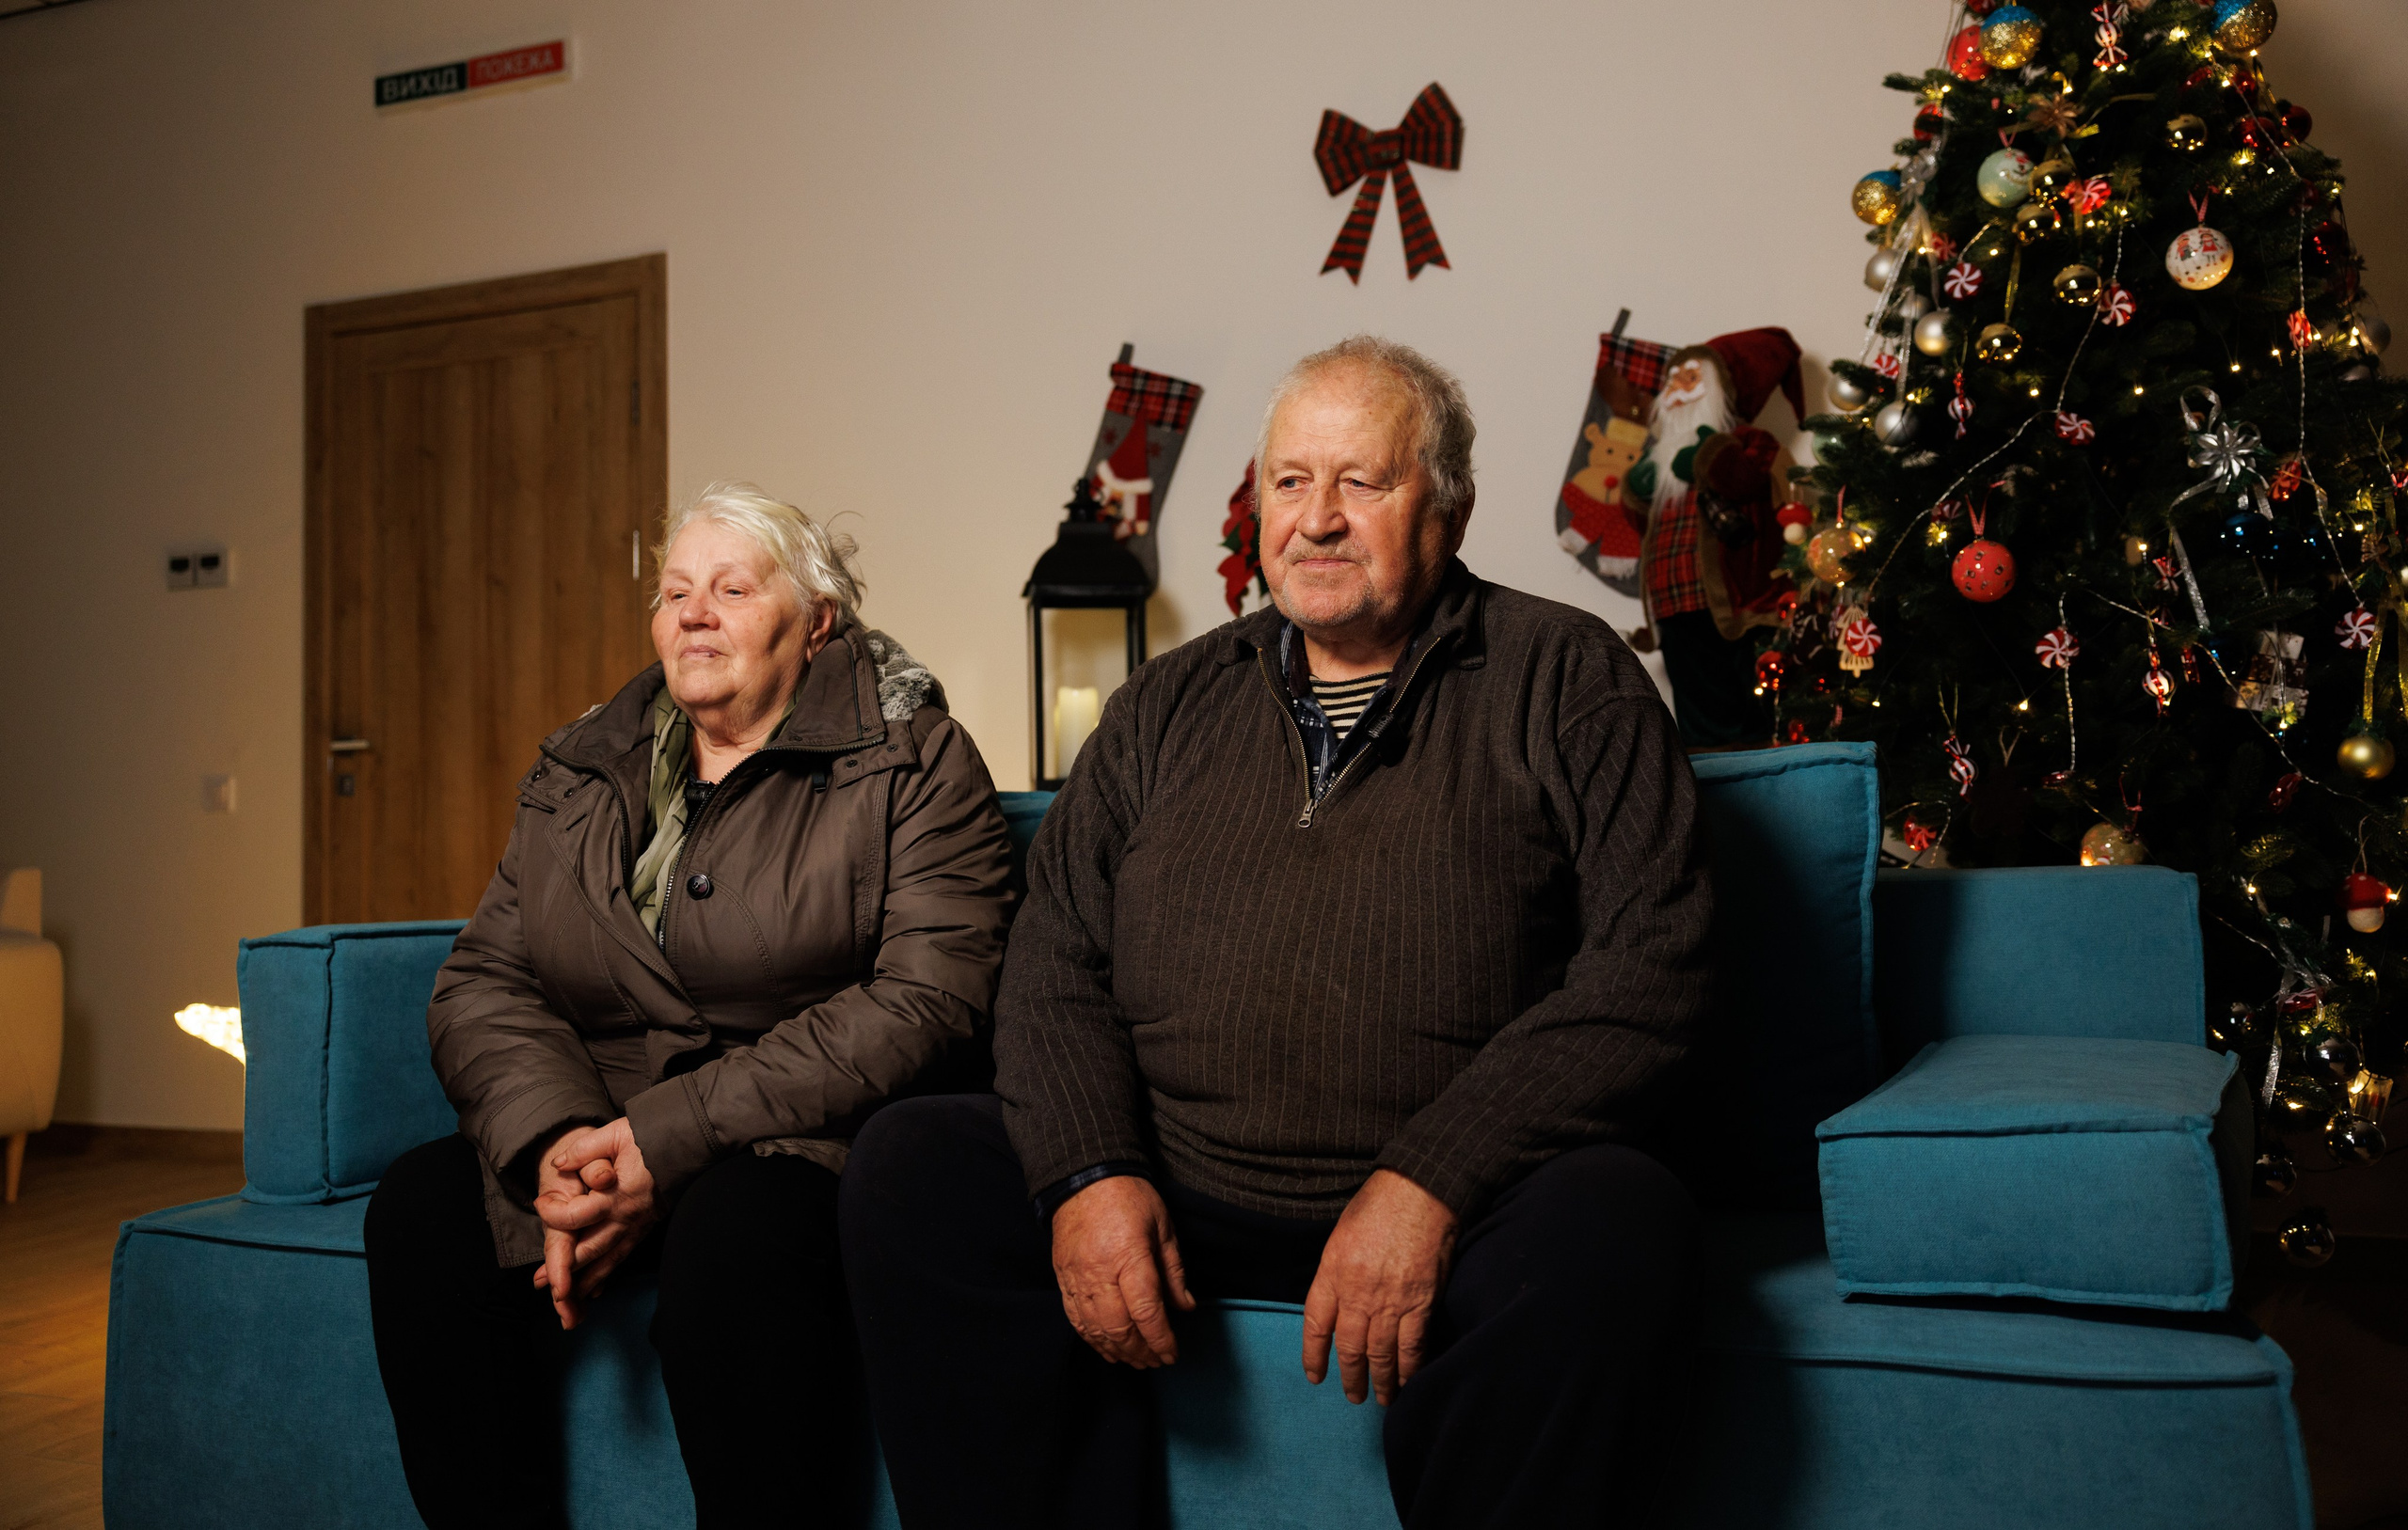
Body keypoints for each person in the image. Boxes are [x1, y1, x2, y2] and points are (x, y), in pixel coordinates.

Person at [843, 338, 1716, 1529]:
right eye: (1291, 483)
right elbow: (1053, 960)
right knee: (913, 1169)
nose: (1317, 519)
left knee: (1620, 1222)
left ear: (1448, 506)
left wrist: (1431, 1179)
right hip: (1178, 1180)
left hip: (1458, 1197)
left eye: (1363, 481)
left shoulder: (1568, 680)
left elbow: (1652, 970)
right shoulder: (1163, 702)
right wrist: (1091, 1173)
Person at [363, 481, 1014, 1529]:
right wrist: (557, 1148)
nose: (693, 614)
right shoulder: (578, 770)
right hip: (593, 1121)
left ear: (818, 624)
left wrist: (659, 1143)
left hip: (796, 1138)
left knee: (739, 1242)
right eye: (674, 592)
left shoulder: (915, 759)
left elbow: (927, 1000)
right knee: (423, 1212)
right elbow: (486, 978)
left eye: (730, 588)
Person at [1622, 328, 1806, 748]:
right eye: (1673, 380)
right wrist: (1636, 488)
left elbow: (1750, 483)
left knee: (1752, 712)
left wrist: (1710, 454)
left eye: (1691, 378)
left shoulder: (1750, 441)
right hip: (1672, 604)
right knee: (1697, 718)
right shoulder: (1659, 455)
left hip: (1736, 606)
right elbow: (1642, 527)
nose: (1678, 389)